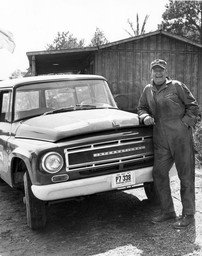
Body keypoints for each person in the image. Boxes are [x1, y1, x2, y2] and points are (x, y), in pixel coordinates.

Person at [137, 59, 199, 229]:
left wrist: (185, 124)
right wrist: (144, 117)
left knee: (185, 176)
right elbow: (141, 108)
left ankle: (188, 214)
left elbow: (193, 106)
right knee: (159, 174)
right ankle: (168, 211)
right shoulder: (148, 90)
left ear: (165, 71)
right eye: (155, 70)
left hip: (181, 139)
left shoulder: (177, 86)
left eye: (161, 70)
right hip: (161, 140)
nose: (158, 73)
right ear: (151, 71)